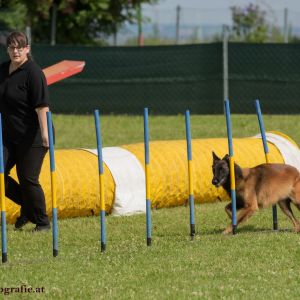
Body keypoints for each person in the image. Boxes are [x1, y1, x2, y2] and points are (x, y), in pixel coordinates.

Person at [0, 31, 51, 231]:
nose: (15, 51)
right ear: (7, 50)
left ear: (27, 49)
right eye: (12, 47)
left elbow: (42, 107)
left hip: (34, 135)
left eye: (20, 47)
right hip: (8, 135)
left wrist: (45, 134)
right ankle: (29, 209)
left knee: (28, 178)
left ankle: (42, 221)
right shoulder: (3, 70)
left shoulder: (34, 73)